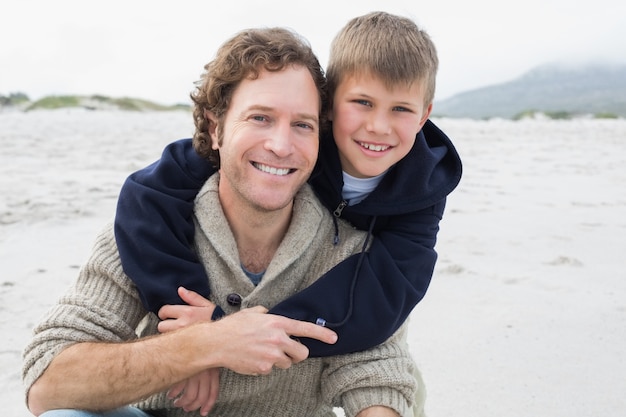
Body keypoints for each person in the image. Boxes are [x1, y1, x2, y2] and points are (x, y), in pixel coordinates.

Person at [22, 27, 420, 417]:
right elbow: (46, 384)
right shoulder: (149, 230)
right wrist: (204, 344)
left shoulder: (354, 253)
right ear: (216, 129)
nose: (281, 146)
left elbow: (376, 375)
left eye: (303, 125)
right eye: (260, 118)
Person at [114, 11, 462, 358]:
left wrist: (227, 329)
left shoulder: (424, 190)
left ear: (424, 116)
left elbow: (386, 294)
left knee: (398, 365)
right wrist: (195, 323)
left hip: (346, 319)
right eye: (362, 103)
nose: (378, 126)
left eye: (400, 109)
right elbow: (146, 196)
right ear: (328, 105)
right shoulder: (297, 143)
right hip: (258, 295)